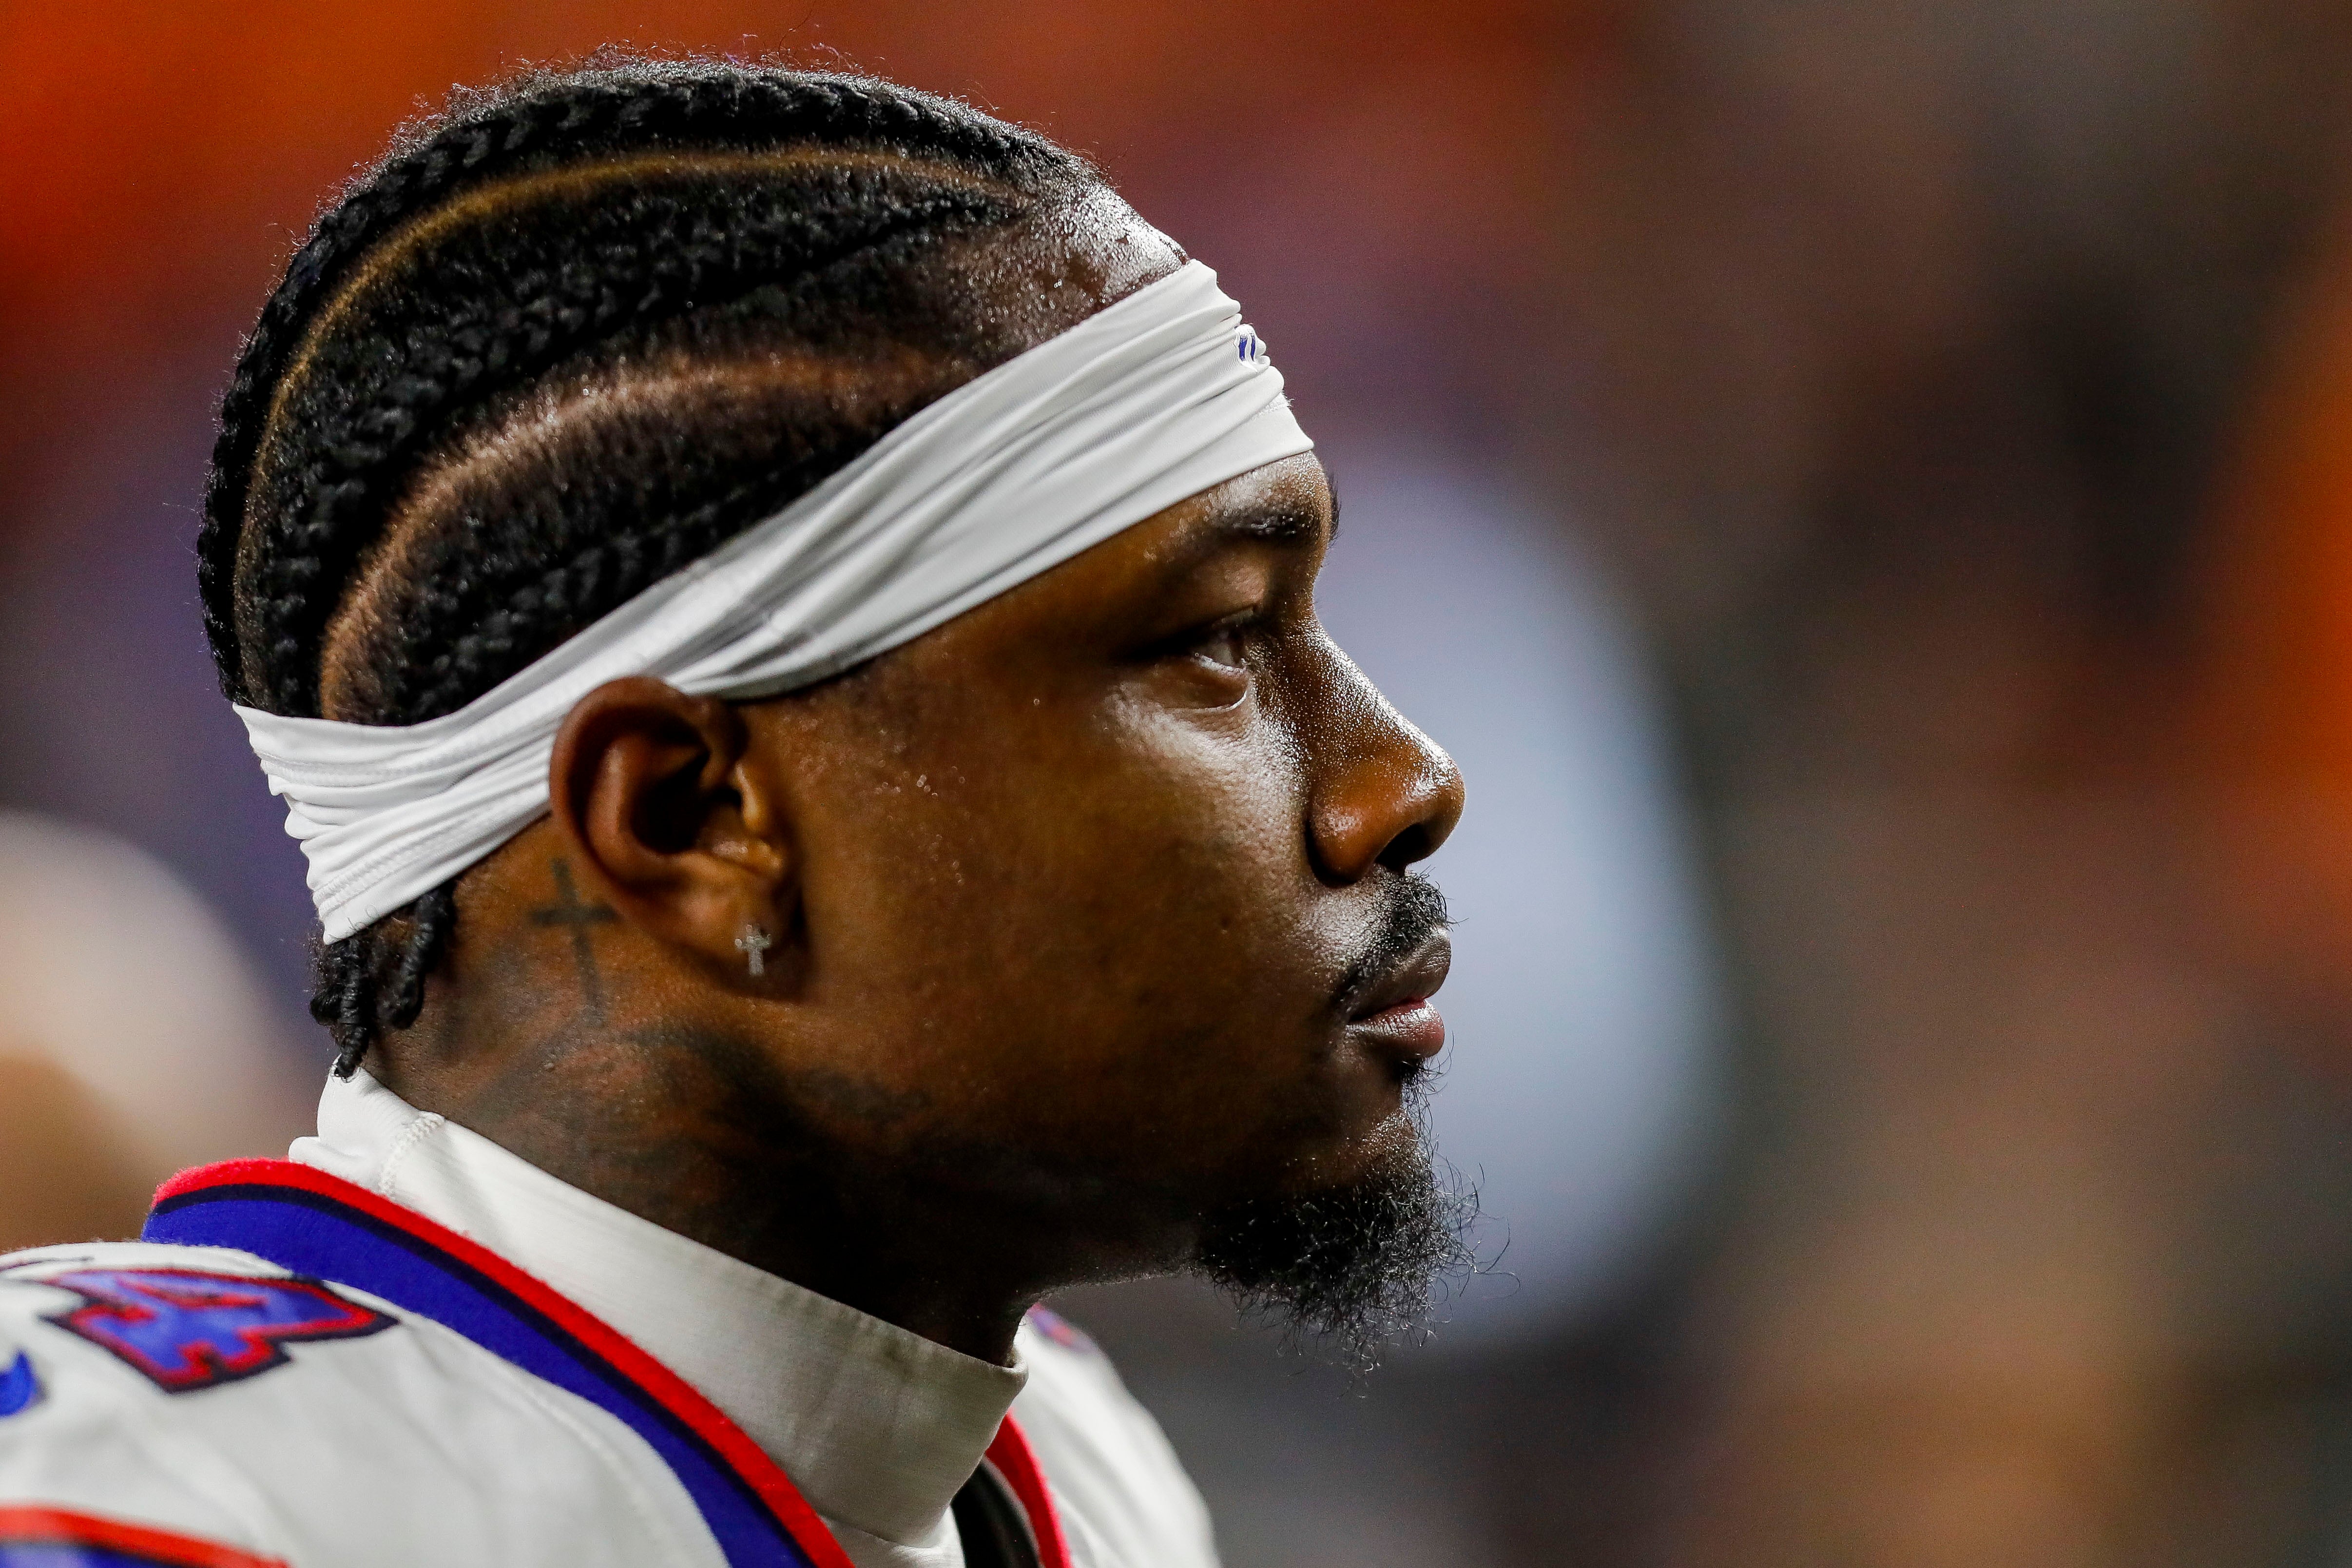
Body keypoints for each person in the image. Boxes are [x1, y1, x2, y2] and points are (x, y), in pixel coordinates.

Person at [0, 57, 1467, 1568]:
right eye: (1215, 641)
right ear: (689, 819)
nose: (1402, 783)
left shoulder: (1067, 1460)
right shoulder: (132, 1512)